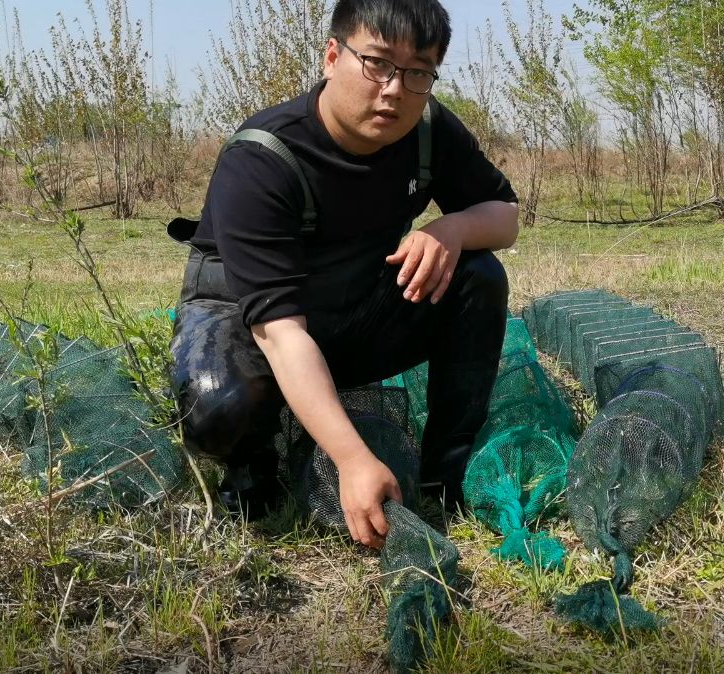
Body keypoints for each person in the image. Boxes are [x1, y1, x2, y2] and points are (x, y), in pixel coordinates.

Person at [170, 0, 518, 549]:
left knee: (479, 275)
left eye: (418, 72)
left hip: (356, 310)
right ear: (333, 57)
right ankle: (254, 470)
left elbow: (505, 217)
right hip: (248, 322)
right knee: (217, 405)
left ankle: (446, 471)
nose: (394, 89)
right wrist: (354, 460)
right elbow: (282, 335)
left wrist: (450, 229)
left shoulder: (428, 131)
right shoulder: (263, 156)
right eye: (377, 63)